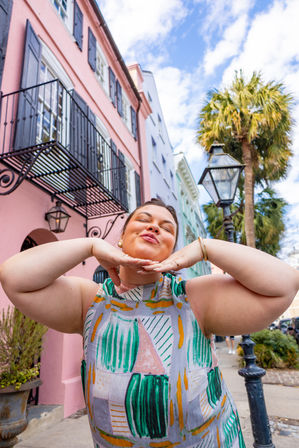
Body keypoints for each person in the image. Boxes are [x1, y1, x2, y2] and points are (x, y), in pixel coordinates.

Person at [1, 198, 298, 448]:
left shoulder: (192, 297)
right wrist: (90, 246)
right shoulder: (90, 300)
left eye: (167, 228)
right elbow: (14, 278)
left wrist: (204, 247)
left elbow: (284, 284)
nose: (154, 226)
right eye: (143, 220)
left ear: (173, 249)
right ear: (120, 238)